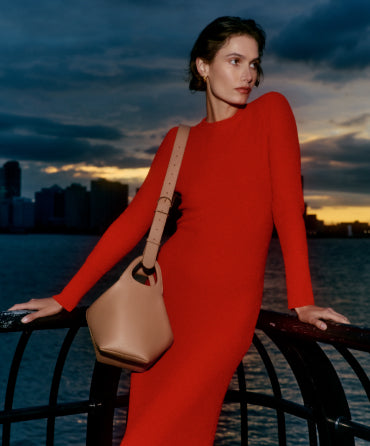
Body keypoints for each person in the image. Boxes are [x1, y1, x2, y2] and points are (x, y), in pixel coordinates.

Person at [9, 16, 349, 445]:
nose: (248, 74)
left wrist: (301, 301)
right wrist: (65, 297)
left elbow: (287, 209)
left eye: (254, 63)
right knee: (167, 431)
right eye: (235, 60)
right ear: (203, 67)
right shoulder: (179, 141)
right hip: (165, 305)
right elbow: (132, 222)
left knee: (155, 433)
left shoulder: (272, 112)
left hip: (226, 313)